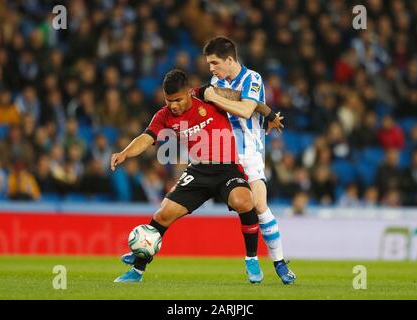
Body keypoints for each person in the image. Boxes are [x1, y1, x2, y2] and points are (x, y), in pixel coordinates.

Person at [112, 69, 262, 283]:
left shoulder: (207, 95)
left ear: (189, 92)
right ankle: (137, 270)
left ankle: (251, 258)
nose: (173, 105)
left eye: (178, 100)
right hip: (198, 170)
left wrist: (270, 114)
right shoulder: (163, 115)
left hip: (227, 168)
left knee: (244, 201)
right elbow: (146, 138)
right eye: (168, 100)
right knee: (163, 214)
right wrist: (125, 152)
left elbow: (245, 100)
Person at [201, 36, 296, 284]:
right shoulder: (216, 81)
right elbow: (238, 100)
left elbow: (244, 108)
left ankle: (279, 263)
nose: (211, 69)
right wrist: (270, 113)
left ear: (230, 59)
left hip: (249, 152)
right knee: (245, 206)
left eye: (214, 62)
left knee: (260, 206)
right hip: (222, 154)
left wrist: (212, 96)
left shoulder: (252, 78)